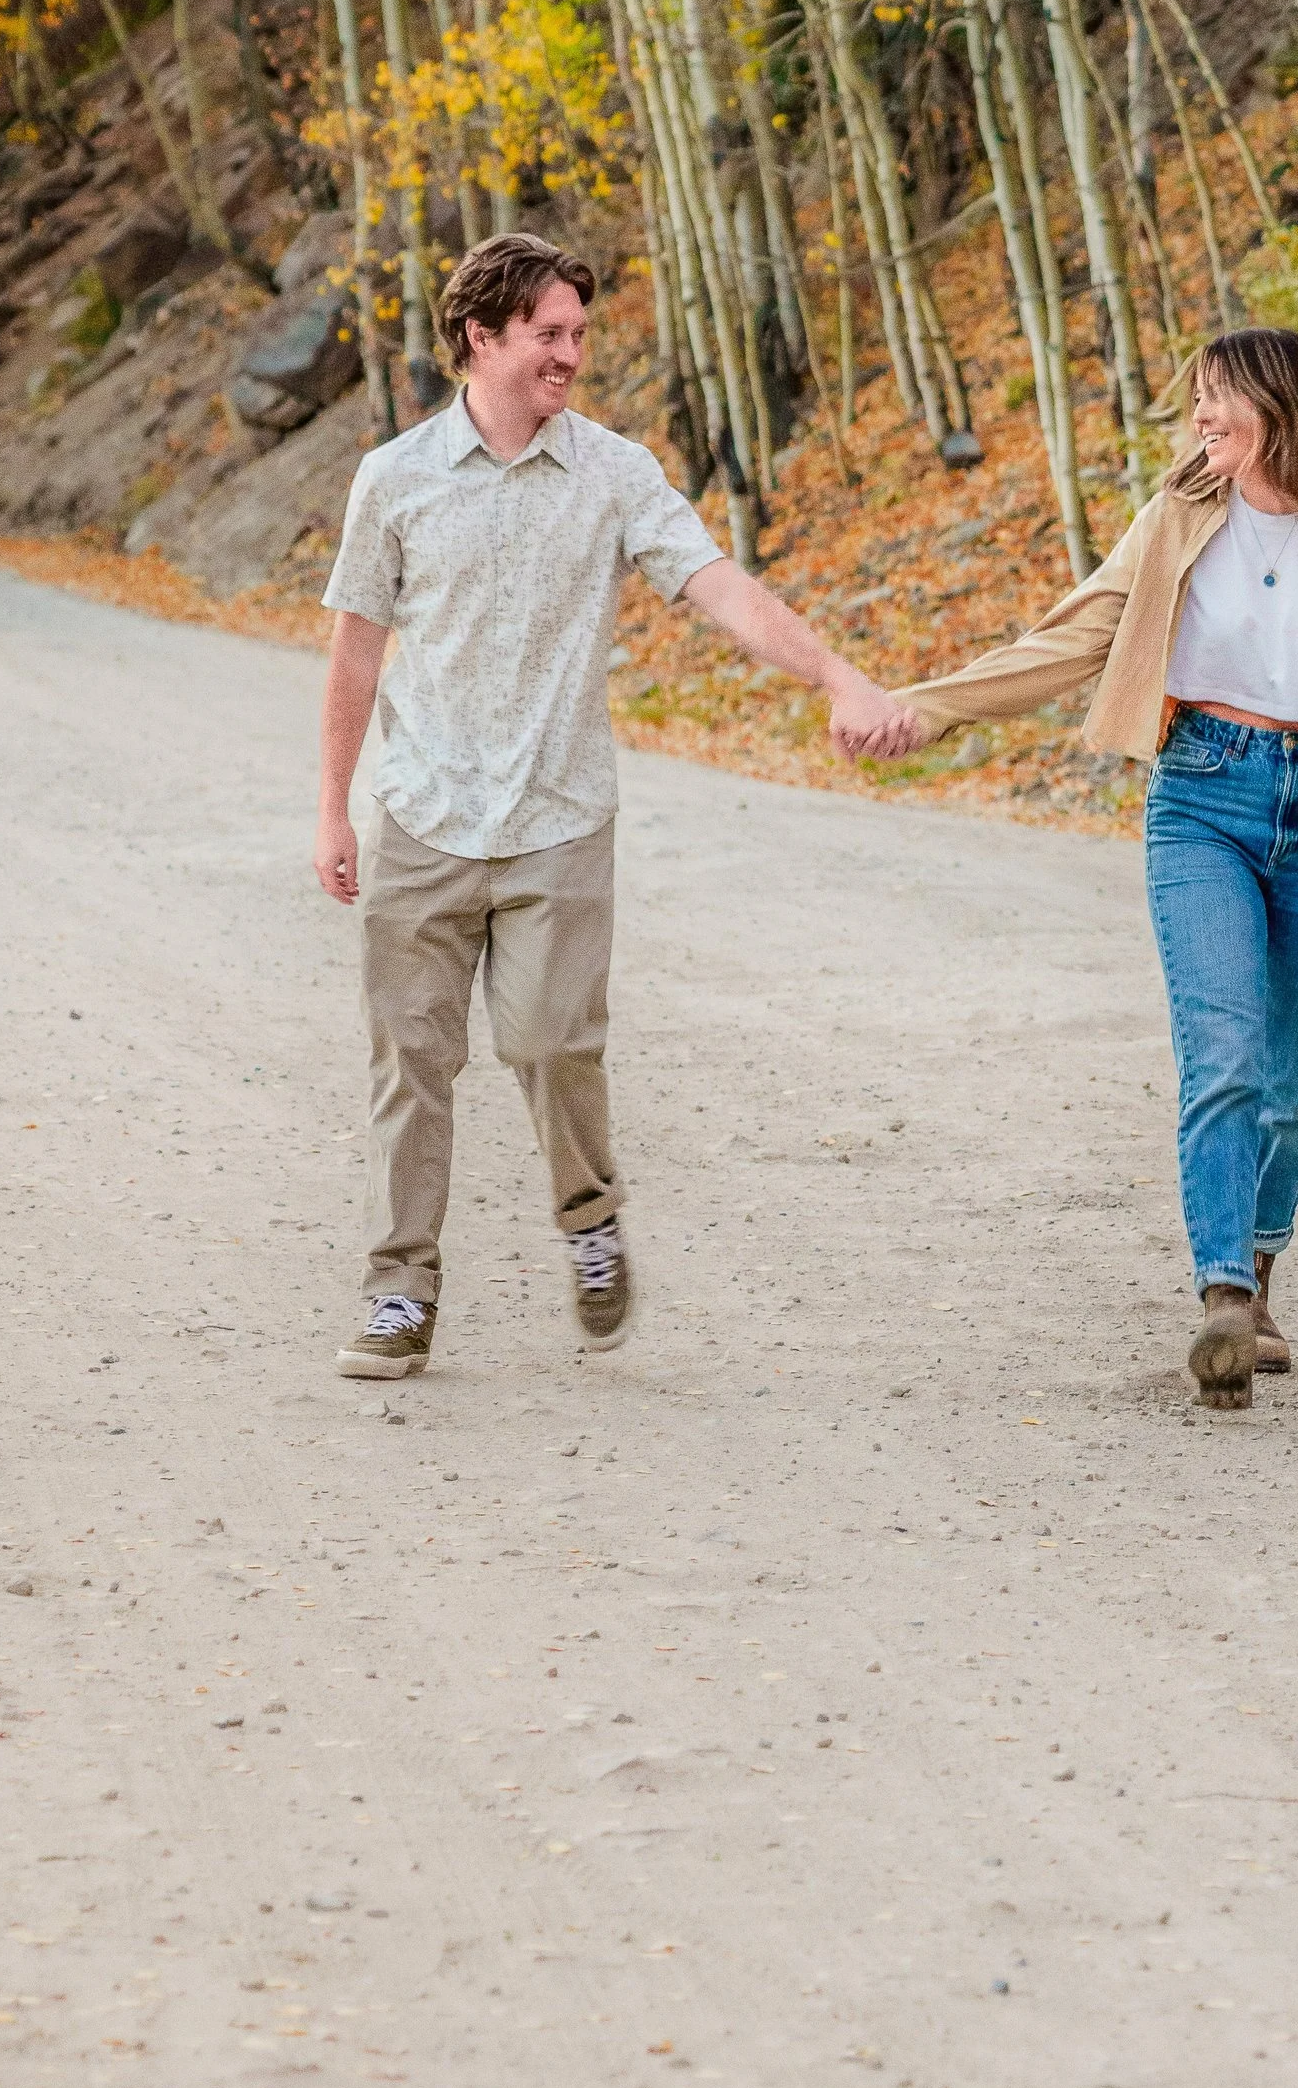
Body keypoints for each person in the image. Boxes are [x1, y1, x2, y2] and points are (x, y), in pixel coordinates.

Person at [313, 229, 906, 1383]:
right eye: (550, 334)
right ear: (480, 338)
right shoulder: (393, 479)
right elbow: (352, 655)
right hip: (424, 816)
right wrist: (333, 811)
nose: (571, 355)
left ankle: (589, 1220)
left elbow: (718, 588)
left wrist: (834, 674)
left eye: (579, 334)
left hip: (558, 818)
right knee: (412, 1063)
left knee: (547, 1044)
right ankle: (400, 1294)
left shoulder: (613, 473)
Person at [866, 326, 1298, 1408]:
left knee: (1294, 1087)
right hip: (1203, 796)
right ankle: (1222, 1293)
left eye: (1219, 404)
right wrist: (928, 706)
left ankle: (1259, 1271)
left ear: (1281, 408)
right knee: (1222, 1051)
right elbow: (1072, 637)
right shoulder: (1178, 520)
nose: (1201, 422)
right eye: (1197, 407)